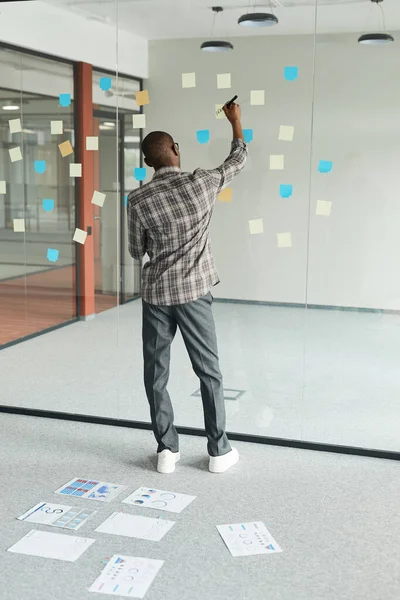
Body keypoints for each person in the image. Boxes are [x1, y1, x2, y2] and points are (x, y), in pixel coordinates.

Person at [127, 102, 247, 474]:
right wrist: (236, 121)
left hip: (157, 297)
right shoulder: (201, 182)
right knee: (208, 371)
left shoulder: (137, 199)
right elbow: (238, 160)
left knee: (156, 372)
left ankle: (167, 450)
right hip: (194, 294)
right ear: (176, 150)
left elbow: (136, 251)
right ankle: (218, 451)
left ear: (148, 163)